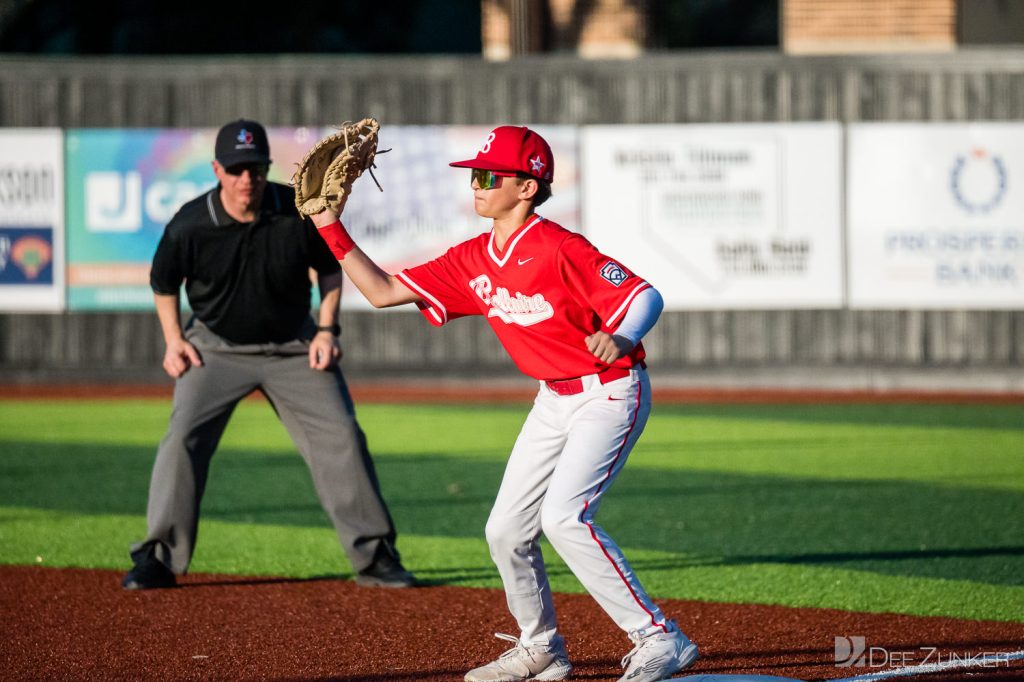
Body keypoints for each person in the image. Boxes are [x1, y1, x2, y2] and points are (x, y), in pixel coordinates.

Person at [309, 126, 698, 682]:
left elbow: (643, 294)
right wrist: (329, 224)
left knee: (565, 517)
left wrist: (625, 335)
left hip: (608, 390)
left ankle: (660, 638)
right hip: (552, 399)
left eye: (489, 175)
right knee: (505, 531)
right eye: (474, 174)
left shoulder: (560, 247)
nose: (477, 184)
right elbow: (381, 292)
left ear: (527, 186)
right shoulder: (472, 257)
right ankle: (540, 647)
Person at [122, 119, 414, 591]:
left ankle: (376, 555)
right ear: (218, 169)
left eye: (255, 167)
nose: (246, 179)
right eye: (236, 169)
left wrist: (326, 329)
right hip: (215, 348)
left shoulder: (295, 211)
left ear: (266, 167)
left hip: (293, 347)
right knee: (181, 440)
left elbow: (331, 271)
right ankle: (158, 556)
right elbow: (163, 283)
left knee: (341, 434)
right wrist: (174, 340)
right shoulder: (191, 223)